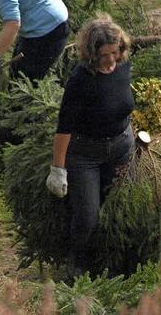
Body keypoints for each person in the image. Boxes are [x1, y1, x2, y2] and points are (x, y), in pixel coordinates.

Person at [45, 14, 134, 276]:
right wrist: (58, 169)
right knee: (88, 218)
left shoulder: (123, 66)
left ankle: (115, 266)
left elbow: (122, 102)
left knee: (120, 209)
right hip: (86, 156)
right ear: (92, 54)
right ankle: (77, 268)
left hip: (121, 149)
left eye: (114, 53)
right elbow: (65, 126)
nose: (110, 61)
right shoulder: (81, 78)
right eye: (104, 55)